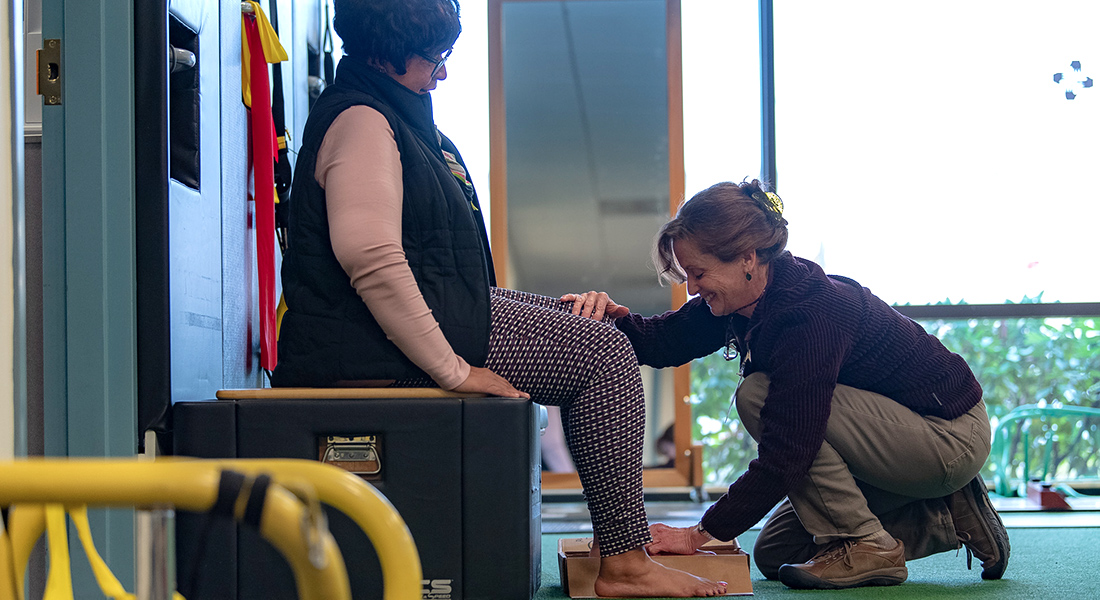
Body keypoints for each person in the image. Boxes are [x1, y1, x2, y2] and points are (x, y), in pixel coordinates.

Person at [270, 0, 727, 596]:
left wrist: (538, 311)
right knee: (605, 359)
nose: (444, 71)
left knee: (591, 335)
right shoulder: (361, 121)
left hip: (407, 330)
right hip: (367, 350)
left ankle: (624, 556)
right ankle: (626, 565)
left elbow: (442, 274)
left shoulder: (397, 119)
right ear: (390, 52)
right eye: (437, 57)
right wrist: (456, 372)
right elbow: (372, 261)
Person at [563, 180, 1010, 590]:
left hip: (948, 436)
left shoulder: (810, 314)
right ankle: (946, 514)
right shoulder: (744, 298)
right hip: (898, 443)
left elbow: (790, 449)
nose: (693, 289)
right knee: (778, 554)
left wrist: (699, 533)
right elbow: (662, 343)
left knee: (757, 395)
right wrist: (605, 320)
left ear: (747, 259)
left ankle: (872, 545)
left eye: (698, 273)